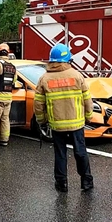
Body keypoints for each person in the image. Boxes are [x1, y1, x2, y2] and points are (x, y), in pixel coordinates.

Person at [34, 43, 94, 192]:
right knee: (80, 152)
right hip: (77, 123)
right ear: (67, 59)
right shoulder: (76, 75)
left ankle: (62, 184)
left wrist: (42, 120)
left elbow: (38, 104)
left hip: (56, 123)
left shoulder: (44, 78)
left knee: (60, 154)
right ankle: (86, 182)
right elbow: (87, 99)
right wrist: (89, 116)